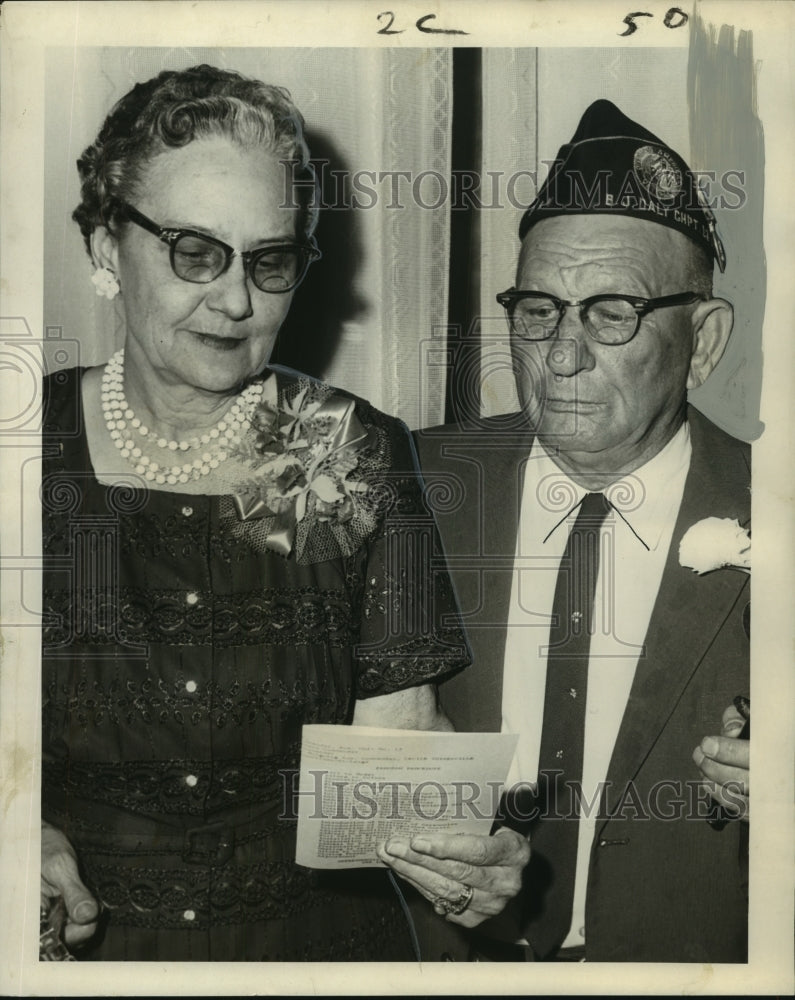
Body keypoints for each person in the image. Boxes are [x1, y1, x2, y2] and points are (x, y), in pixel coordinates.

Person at [39, 64, 531, 962]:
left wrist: (469, 861)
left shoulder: (329, 449)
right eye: (194, 251)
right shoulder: (25, 448)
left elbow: (398, 750)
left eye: (268, 261)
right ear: (107, 246)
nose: (236, 301)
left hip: (308, 952)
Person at [381, 100, 751, 962]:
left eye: (611, 311)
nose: (560, 355)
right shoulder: (404, 484)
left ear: (702, 341)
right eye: (537, 309)